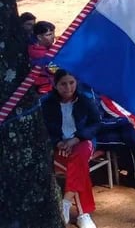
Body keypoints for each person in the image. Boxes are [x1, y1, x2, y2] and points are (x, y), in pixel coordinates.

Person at [41, 69, 101, 228]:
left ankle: (66, 201)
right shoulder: (46, 103)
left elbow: (96, 123)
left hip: (82, 142)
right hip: (60, 144)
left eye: (71, 83)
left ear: (76, 82)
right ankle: (83, 215)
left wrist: (76, 139)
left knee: (79, 157)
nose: (68, 87)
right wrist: (58, 142)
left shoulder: (85, 100)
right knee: (77, 168)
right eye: (63, 84)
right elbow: (43, 127)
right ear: (55, 84)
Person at [29, 20, 57, 94]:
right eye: (49, 34)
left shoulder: (49, 48)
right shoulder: (38, 54)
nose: (53, 37)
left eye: (53, 33)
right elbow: (55, 70)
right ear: (39, 37)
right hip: (45, 90)